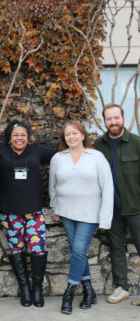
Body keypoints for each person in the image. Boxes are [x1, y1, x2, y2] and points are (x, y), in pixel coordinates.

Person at [0, 120, 56, 308]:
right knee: (16, 248)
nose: (20, 138)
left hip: (33, 211)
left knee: (37, 248)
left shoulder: (37, 150)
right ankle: (25, 289)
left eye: (23, 135)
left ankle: (37, 290)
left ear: (29, 137)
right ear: (9, 137)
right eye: (16, 134)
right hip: (8, 212)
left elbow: (63, 155)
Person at [50, 121, 113, 314]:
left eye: (75, 133)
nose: (71, 137)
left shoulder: (96, 157)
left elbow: (108, 188)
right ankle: (88, 291)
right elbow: (52, 186)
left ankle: (69, 293)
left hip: (89, 213)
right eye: (67, 134)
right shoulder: (58, 158)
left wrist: (105, 219)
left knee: (78, 251)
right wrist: (55, 207)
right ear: (64, 138)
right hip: (66, 212)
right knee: (79, 252)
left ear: (83, 135)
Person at [94, 103, 140, 304]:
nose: (113, 122)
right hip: (111, 209)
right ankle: (122, 287)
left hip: (136, 207)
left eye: (116, 117)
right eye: (109, 118)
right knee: (117, 249)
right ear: (104, 121)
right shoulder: (97, 146)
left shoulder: (136, 143)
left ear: (123, 118)